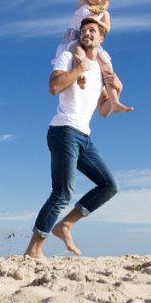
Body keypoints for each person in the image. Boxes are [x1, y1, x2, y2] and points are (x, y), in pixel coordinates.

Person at [26, 17, 124, 258]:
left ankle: (66, 225)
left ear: (101, 39)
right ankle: (34, 249)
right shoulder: (69, 57)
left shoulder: (102, 72)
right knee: (62, 192)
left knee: (109, 185)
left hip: (84, 137)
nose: (86, 33)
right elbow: (53, 86)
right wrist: (79, 68)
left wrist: (117, 92)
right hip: (63, 130)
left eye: (92, 30)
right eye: (84, 30)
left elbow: (102, 112)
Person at [52, 0, 133, 114]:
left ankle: (115, 101)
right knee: (78, 53)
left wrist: (96, 22)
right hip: (75, 38)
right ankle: (80, 78)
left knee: (107, 66)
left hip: (90, 41)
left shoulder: (104, 13)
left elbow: (107, 28)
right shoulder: (83, 4)